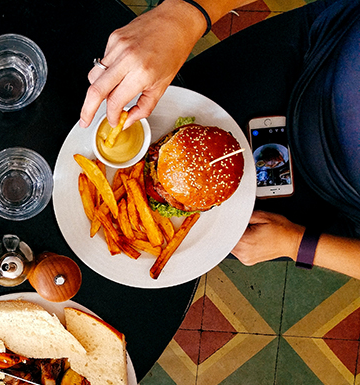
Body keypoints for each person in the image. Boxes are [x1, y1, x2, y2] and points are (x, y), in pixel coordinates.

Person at [79, 0, 360, 280]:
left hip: (329, 199)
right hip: (316, 44)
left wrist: (298, 244)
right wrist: (184, 15)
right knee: (178, 86)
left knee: (224, 238)